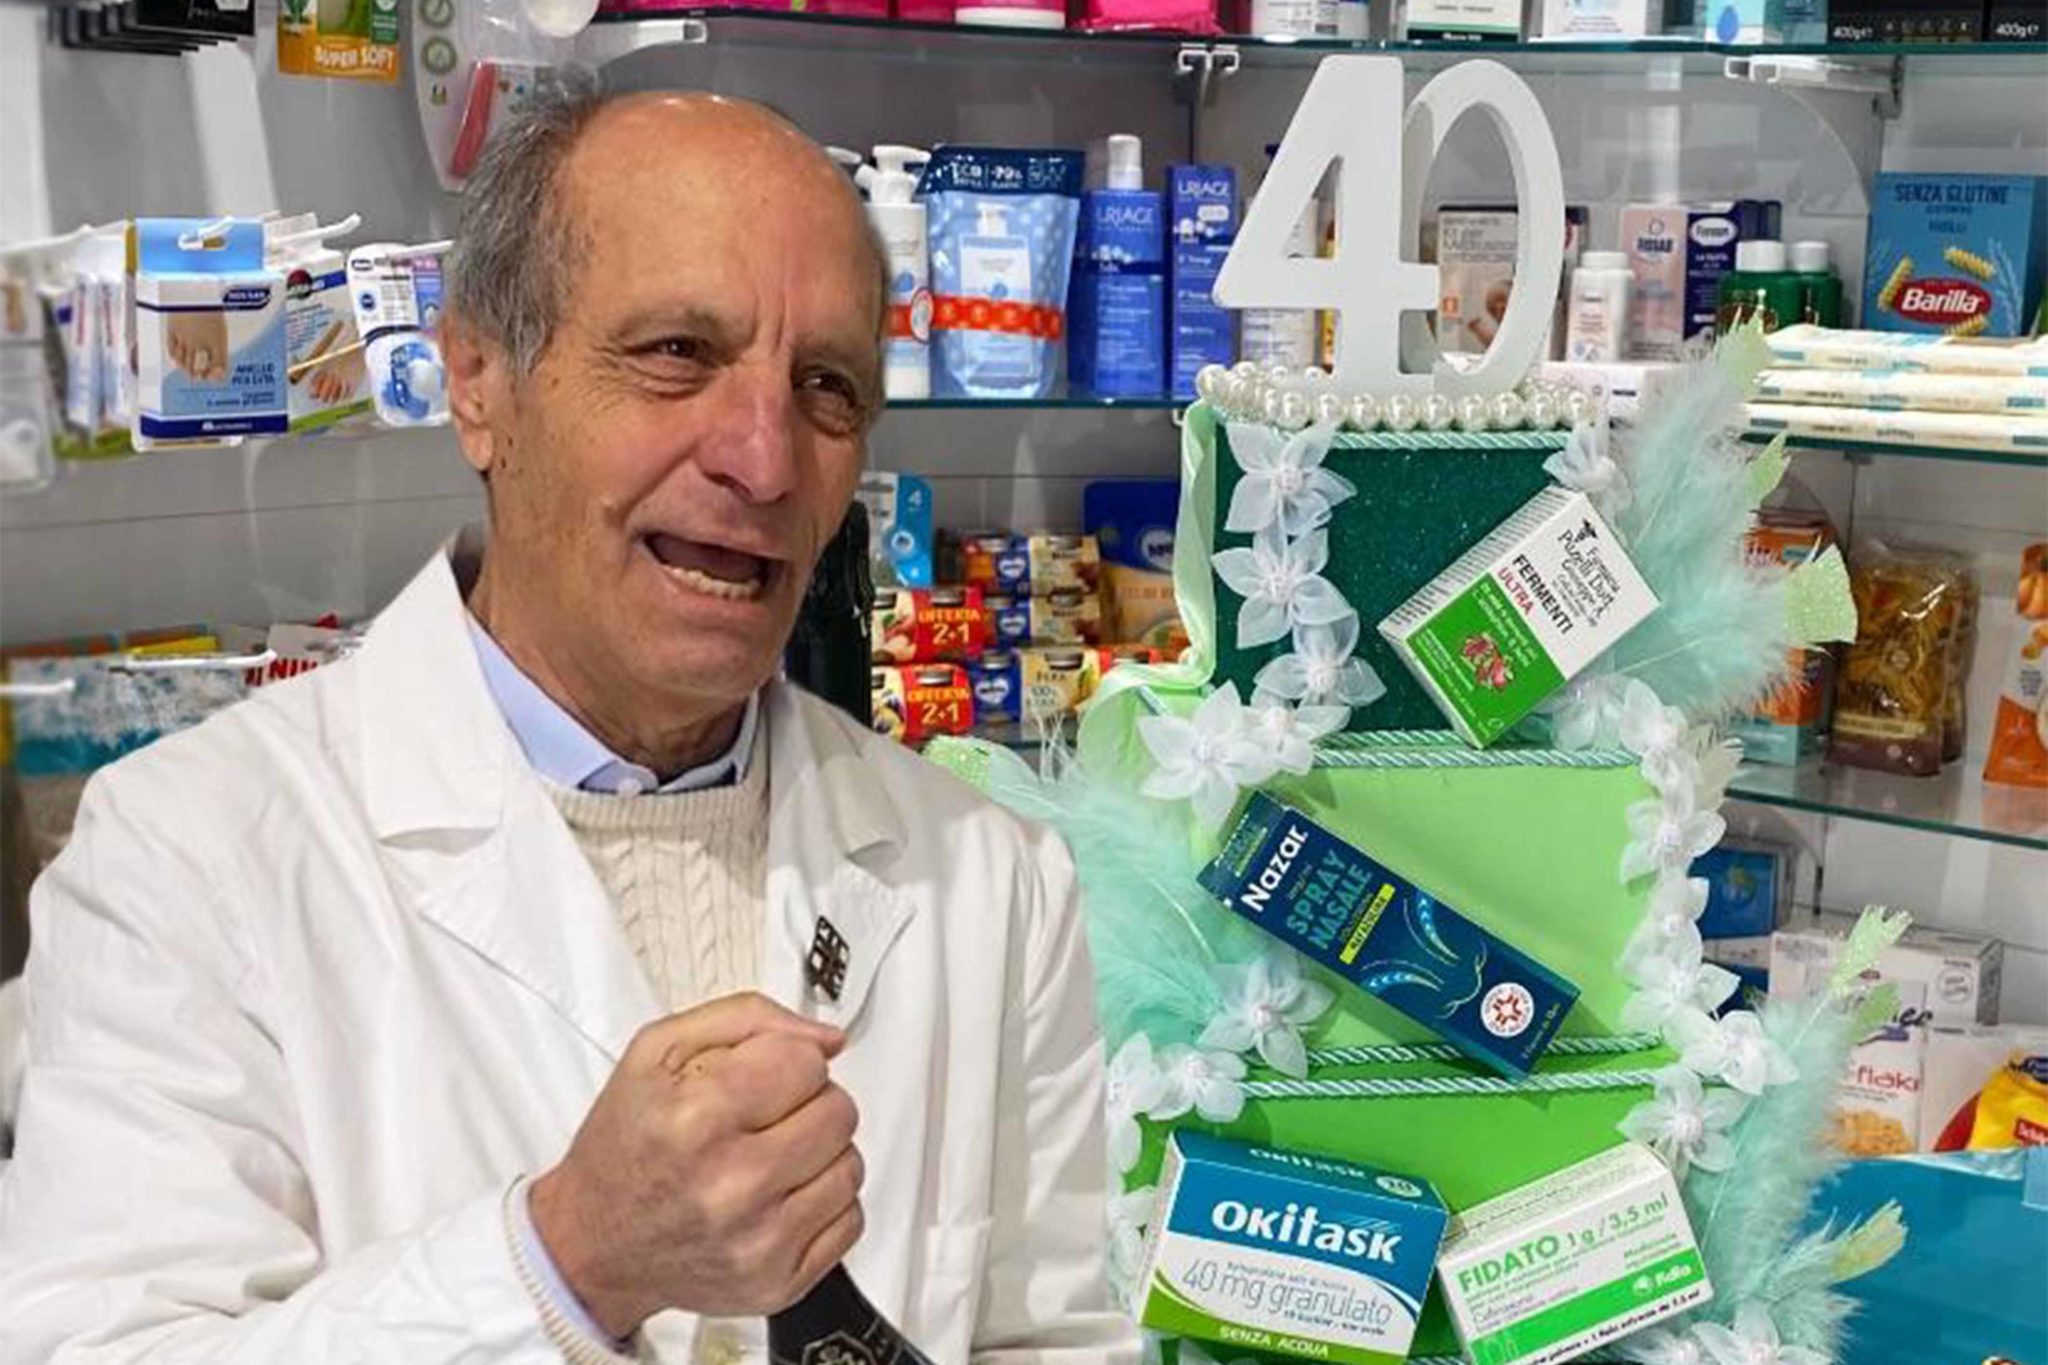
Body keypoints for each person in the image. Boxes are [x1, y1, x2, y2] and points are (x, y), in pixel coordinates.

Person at [0, 85, 1133, 1365]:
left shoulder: (988, 879)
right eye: (675, 354)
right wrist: (567, 1262)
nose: (762, 461)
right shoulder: (186, 856)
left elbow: (1048, 1341)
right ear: (478, 382)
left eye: (824, 386)